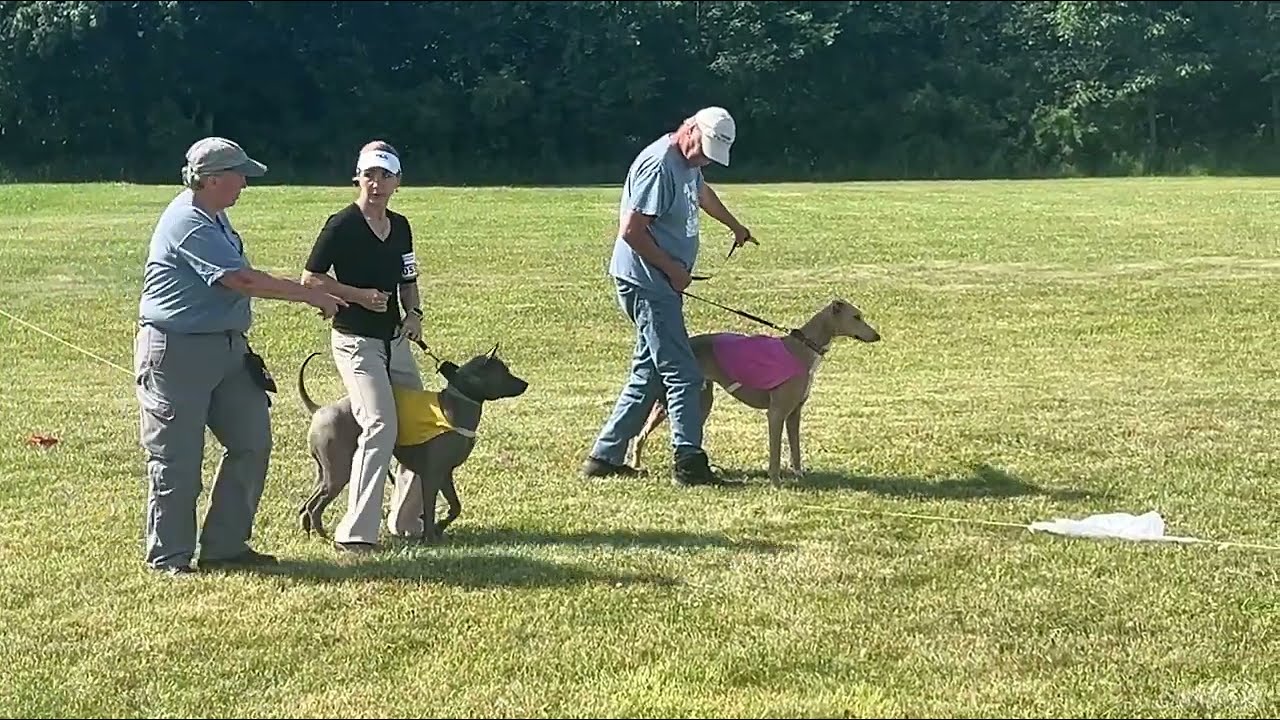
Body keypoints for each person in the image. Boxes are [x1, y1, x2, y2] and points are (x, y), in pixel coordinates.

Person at [135, 136, 345, 576]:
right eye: (239, 175)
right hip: (177, 353)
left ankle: (226, 547)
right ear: (212, 180)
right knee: (178, 459)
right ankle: (170, 558)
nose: (245, 184)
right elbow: (243, 281)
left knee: (251, 442)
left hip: (228, 350)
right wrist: (308, 295)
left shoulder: (216, 216)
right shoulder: (189, 222)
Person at [582, 107, 754, 486]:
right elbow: (632, 231)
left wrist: (734, 226)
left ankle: (604, 457)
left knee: (648, 373)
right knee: (683, 372)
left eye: (711, 156)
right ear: (689, 129)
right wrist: (674, 270)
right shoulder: (660, 165)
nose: (704, 159)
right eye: (704, 150)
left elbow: (701, 192)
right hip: (648, 283)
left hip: (660, 282)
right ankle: (689, 463)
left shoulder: (688, 163)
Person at [301, 140, 428, 552]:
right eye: (370, 174)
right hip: (356, 341)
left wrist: (414, 315)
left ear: (398, 182)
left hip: (395, 340)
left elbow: (408, 281)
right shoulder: (342, 225)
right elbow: (311, 279)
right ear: (357, 177)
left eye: (385, 175)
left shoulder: (401, 225)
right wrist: (357, 295)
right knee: (379, 425)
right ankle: (355, 534)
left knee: (420, 425)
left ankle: (408, 522)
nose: (376, 183)